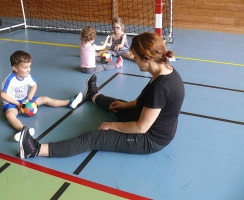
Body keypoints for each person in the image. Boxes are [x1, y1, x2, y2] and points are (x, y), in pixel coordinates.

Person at [18, 32, 185, 159]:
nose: (133, 59)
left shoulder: (162, 86)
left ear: (147, 58)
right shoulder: (164, 72)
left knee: (93, 138)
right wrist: (125, 105)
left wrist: (112, 126)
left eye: (135, 56)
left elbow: (141, 128)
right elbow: (145, 101)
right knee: (118, 105)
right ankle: (92, 95)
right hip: (153, 122)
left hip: (150, 138)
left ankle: (35, 150)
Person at [0, 50, 83, 142]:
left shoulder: (27, 76)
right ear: (15, 68)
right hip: (11, 103)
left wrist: (30, 97)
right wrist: (17, 104)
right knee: (10, 116)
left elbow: (34, 85)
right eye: (25, 67)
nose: (29, 69)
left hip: (25, 99)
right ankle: (24, 130)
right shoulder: (10, 80)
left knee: (45, 99)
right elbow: (3, 95)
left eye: (29, 66)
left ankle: (69, 102)